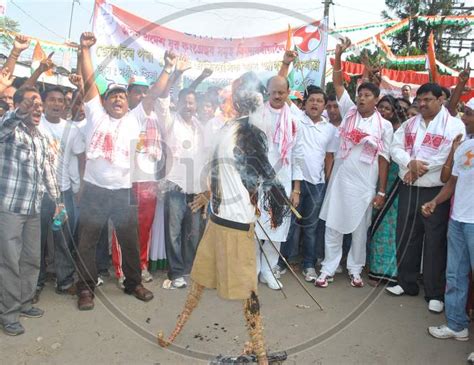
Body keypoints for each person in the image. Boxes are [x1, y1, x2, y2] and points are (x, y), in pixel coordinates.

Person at [158, 71, 290, 365]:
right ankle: (175, 332)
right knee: (198, 280)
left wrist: (273, 198)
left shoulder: (251, 130)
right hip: (217, 219)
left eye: (241, 95)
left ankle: (261, 353)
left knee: (248, 292)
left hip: (236, 223)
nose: (235, 99)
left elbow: (258, 174)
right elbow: (218, 168)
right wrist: (208, 194)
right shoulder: (227, 128)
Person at [74, 32, 169, 310]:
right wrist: (85, 51)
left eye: (121, 96)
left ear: (128, 103)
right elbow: (90, 81)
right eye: (112, 96)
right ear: (103, 101)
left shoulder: (135, 119)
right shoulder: (95, 115)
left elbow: (152, 95)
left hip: (123, 193)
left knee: (130, 240)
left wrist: (168, 68)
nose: (117, 99)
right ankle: (86, 289)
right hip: (95, 191)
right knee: (87, 243)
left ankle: (133, 283)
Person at [316, 37, 393, 288]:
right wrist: (338, 57)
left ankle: (355, 269)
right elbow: (338, 83)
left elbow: (384, 159)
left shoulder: (385, 126)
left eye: (367, 95)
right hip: (342, 178)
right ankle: (328, 268)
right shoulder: (349, 111)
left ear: (376, 99)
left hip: (365, 183)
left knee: (360, 229)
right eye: (359, 94)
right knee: (334, 225)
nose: (361, 98)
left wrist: (381, 190)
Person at [387, 83, 466, 314]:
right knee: (406, 235)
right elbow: (395, 147)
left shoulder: (454, 125)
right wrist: (408, 163)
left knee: (434, 242)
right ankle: (406, 282)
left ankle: (434, 293)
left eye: (428, 99)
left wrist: (420, 168)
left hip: (435, 192)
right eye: (419, 99)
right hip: (409, 187)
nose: (422, 104)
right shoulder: (410, 123)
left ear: (441, 99)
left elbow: (448, 157)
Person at [0, 87, 62, 336]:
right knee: (9, 263)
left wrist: (58, 201)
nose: (37, 107)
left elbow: (47, 170)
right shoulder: (10, 130)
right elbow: (4, 124)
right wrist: (18, 112)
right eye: (31, 103)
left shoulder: (42, 136)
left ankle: (25, 303)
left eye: (39, 104)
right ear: (18, 105)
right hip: (10, 210)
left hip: (33, 210)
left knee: (30, 260)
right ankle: (9, 313)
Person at [154, 65, 208, 289]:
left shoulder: (200, 126)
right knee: (174, 232)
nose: (188, 106)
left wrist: (206, 188)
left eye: (192, 102)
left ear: (196, 106)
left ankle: (190, 269)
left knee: (193, 233)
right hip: (175, 186)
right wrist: (173, 73)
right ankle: (176, 272)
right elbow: (163, 97)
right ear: (178, 103)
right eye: (185, 102)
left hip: (196, 188)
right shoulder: (169, 120)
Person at [276, 85, 337, 283]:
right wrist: (286, 63)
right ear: (305, 103)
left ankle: (309, 264)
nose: (315, 104)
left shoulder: (329, 129)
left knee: (311, 227)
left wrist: (326, 182)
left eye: (320, 101)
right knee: (290, 224)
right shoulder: (296, 118)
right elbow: (282, 93)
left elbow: (329, 157)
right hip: (295, 181)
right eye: (312, 100)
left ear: (324, 106)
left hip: (317, 184)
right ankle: (281, 262)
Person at [425, 97, 474, 341]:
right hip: (457, 220)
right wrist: (435, 201)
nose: (464, 118)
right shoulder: (464, 147)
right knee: (455, 274)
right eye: (465, 113)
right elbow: (453, 183)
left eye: (469, 114)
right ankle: (457, 325)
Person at [254, 66, 304, 290]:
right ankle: (252, 270)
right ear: (267, 91)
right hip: (258, 182)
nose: (277, 96)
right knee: (255, 227)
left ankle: (269, 269)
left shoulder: (294, 119)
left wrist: (296, 189)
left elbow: (298, 156)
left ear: (288, 92)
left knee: (277, 228)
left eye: (281, 92)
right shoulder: (257, 115)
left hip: (283, 182)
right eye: (273, 92)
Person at [34, 87, 85, 302]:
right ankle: (34, 283)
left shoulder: (72, 130)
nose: (56, 104)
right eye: (51, 100)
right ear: (44, 104)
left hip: (63, 193)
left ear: (65, 106)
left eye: (60, 101)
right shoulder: (35, 124)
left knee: (64, 239)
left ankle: (64, 281)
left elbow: (82, 158)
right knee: (36, 241)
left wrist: (80, 188)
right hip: (38, 192)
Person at [110, 75, 162, 284]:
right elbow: (153, 97)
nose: (141, 96)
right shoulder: (128, 117)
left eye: (144, 91)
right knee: (123, 227)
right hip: (128, 182)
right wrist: (169, 70)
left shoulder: (155, 118)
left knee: (145, 227)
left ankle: (141, 265)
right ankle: (122, 270)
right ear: (128, 94)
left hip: (149, 182)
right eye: (137, 92)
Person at [367, 95, 405, 284]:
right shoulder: (372, 127)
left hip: (394, 183)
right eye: (380, 107)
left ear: (394, 112)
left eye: (387, 109)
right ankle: (373, 269)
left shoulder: (400, 131)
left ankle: (389, 272)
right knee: (374, 225)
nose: (382, 111)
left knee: (388, 227)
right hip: (373, 180)